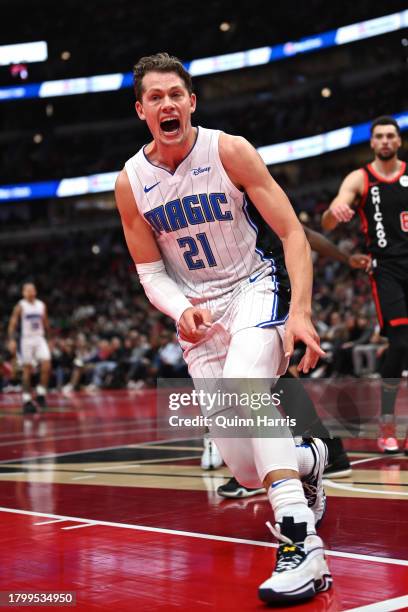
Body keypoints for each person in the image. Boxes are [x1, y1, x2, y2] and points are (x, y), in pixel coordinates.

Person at [115, 52, 332, 604]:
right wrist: (177, 309)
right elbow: (149, 271)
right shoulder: (131, 183)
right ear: (141, 110)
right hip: (201, 318)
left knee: (246, 392)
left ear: (192, 102)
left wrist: (301, 312)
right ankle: (309, 456)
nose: (168, 104)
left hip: (254, 287)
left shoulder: (228, 150)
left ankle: (302, 543)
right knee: (241, 461)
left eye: (176, 94)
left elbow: (293, 234)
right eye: (155, 97)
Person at [218, 228, 371, 497]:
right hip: (239, 292)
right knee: (269, 377)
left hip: (268, 286)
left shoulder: (246, 190)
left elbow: (300, 232)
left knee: (259, 375)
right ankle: (327, 450)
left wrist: (344, 259)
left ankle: (272, 463)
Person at [322, 115, 408, 455]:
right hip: (386, 268)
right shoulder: (359, 178)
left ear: (398, 141)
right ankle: (386, 423)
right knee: (400, 343)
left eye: (391, 136)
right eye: (380, 137)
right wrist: (336, 210)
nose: (385, 141)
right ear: (372, 143)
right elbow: (328, 220)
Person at [7, 282, 51, 413]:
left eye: (32, 290)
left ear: (35, 292)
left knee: (47, 364)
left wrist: (49, 338)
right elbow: (12, 323)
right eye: (27, 290)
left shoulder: (41, 305)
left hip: (40, 338)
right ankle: (26, 399)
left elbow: (46, 323)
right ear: (23, 292)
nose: (30, 292)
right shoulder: (21, 306)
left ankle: (41, 393)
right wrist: (11, 340)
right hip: (26, 340)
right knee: (27, 369)